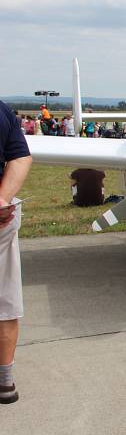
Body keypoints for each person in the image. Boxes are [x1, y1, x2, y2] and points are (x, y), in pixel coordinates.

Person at [0, 99, 33, 405]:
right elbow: (21, 157)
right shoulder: (3, 110)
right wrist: (3, 198)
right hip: (2, 214)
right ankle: (5, 382)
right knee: (6, 300)